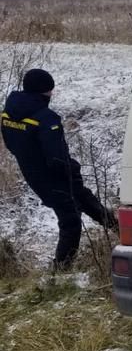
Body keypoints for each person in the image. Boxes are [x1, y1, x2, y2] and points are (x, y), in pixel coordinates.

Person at [1, 68, 118, 270]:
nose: (52, 93)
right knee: (70, 219)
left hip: (32, 172)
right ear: (44, 91)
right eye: (50, 90)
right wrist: (72, 168)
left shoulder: (8, 113)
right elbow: (57, 158)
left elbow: (11, 145)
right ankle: (62, 269)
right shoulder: (46, 119)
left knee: (84, 197)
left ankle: (119, 228)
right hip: (53, 176)